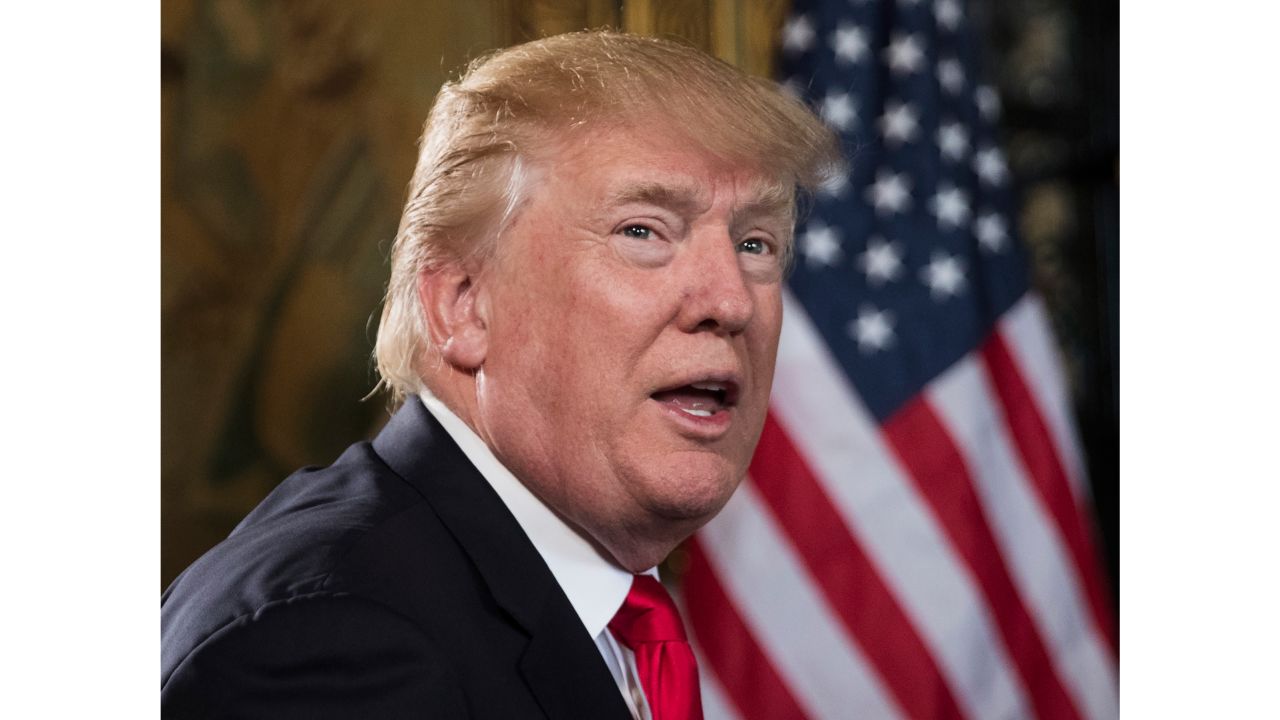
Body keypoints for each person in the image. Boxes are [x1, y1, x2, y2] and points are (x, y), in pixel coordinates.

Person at [161, 30, 838, 719]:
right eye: (644, 231)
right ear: (463, 304)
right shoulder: (334, 647)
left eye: (756, 244)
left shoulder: (586, 613)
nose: (729, 301)